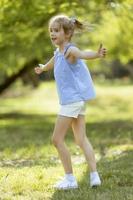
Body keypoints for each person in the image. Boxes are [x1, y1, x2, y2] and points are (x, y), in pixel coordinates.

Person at [34, 14, 107, 190]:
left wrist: (96, 55)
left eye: (56, 30)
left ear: (67, 34)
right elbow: (52, 62)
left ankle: (70, 179)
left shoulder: (70, 50)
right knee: (81, 139)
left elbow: (83, 54)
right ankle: (94, 176)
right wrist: (43, 68)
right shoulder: (59, 53)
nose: (52, 33)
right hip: (77, 102)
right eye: (51, 30)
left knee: (57, 140)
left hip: (71, 101)